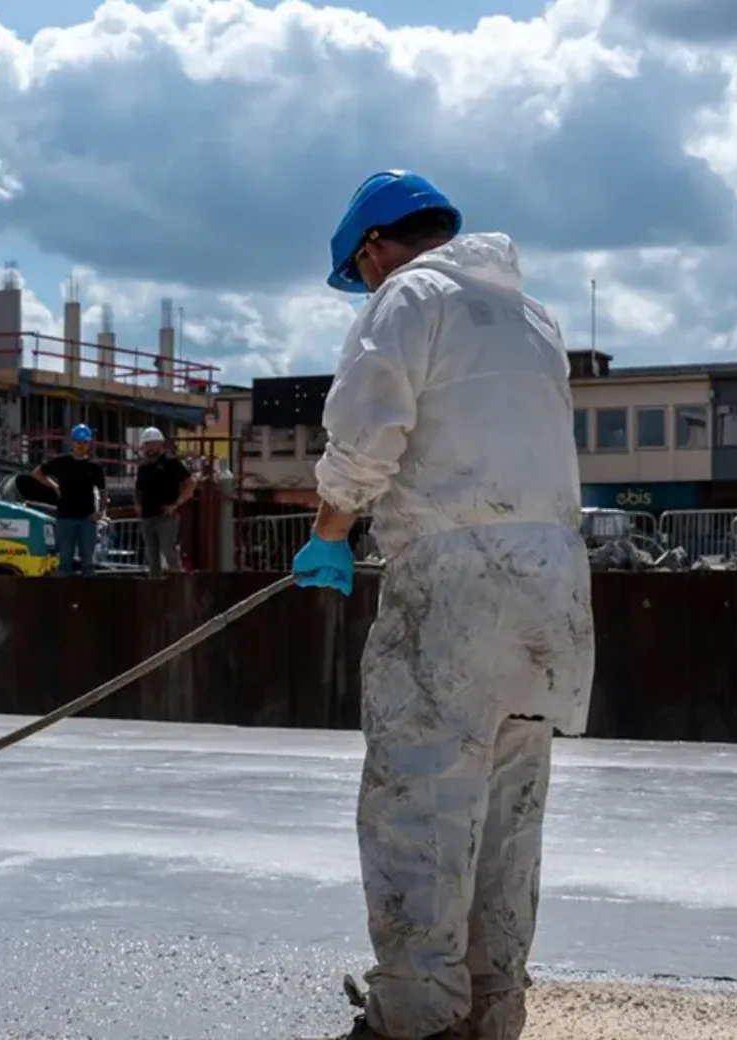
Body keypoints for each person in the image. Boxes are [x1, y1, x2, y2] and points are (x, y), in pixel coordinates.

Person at [292, 171, 595, 1040]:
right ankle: (493, 1015)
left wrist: (331, 530)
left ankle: (415, 1023)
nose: (369, 282)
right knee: (508, 817)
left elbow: (366, 431)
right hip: (553, 588)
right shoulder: (534, 318)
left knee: (420, 804)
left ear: (374, 246)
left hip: (456, 576)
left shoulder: (408, 296)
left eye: (364, 270)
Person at [32, 424, 106, 577]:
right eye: (78, 442)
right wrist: (54, 486)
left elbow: (103, 491)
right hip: (65, 517)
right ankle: (63, 596)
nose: (80, 446)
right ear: (72, 442)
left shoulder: (94, 467)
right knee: (65, 559)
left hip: (87, 519)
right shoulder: (61, 462)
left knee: (88, 562)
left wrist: (100, 512)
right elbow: (37, 473)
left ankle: (89, 596)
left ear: (89, 444)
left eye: (84, 442)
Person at [134, 426, 195, 577]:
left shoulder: (171, 463)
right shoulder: (144, 466)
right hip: (147, 517)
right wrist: (138, 505)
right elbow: (137, 489)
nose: (148, 448)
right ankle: (154, 586)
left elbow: (190, 482)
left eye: (152, 444)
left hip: (165, 516)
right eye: (146, 444)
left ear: (160, 444)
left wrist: (176, 504)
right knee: (151, 556)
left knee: (169, 552)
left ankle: (177, 586)